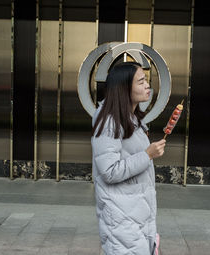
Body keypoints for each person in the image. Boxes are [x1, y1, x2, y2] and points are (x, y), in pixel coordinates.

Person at [91, 61, 166, 254]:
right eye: (141, 82)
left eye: (146, 81)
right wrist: (147, 155)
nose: (147, 86)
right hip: (121, 217)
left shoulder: (132, 118)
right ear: (125, 88)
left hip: (136, 214)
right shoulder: (109, 121)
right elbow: (109, 171)